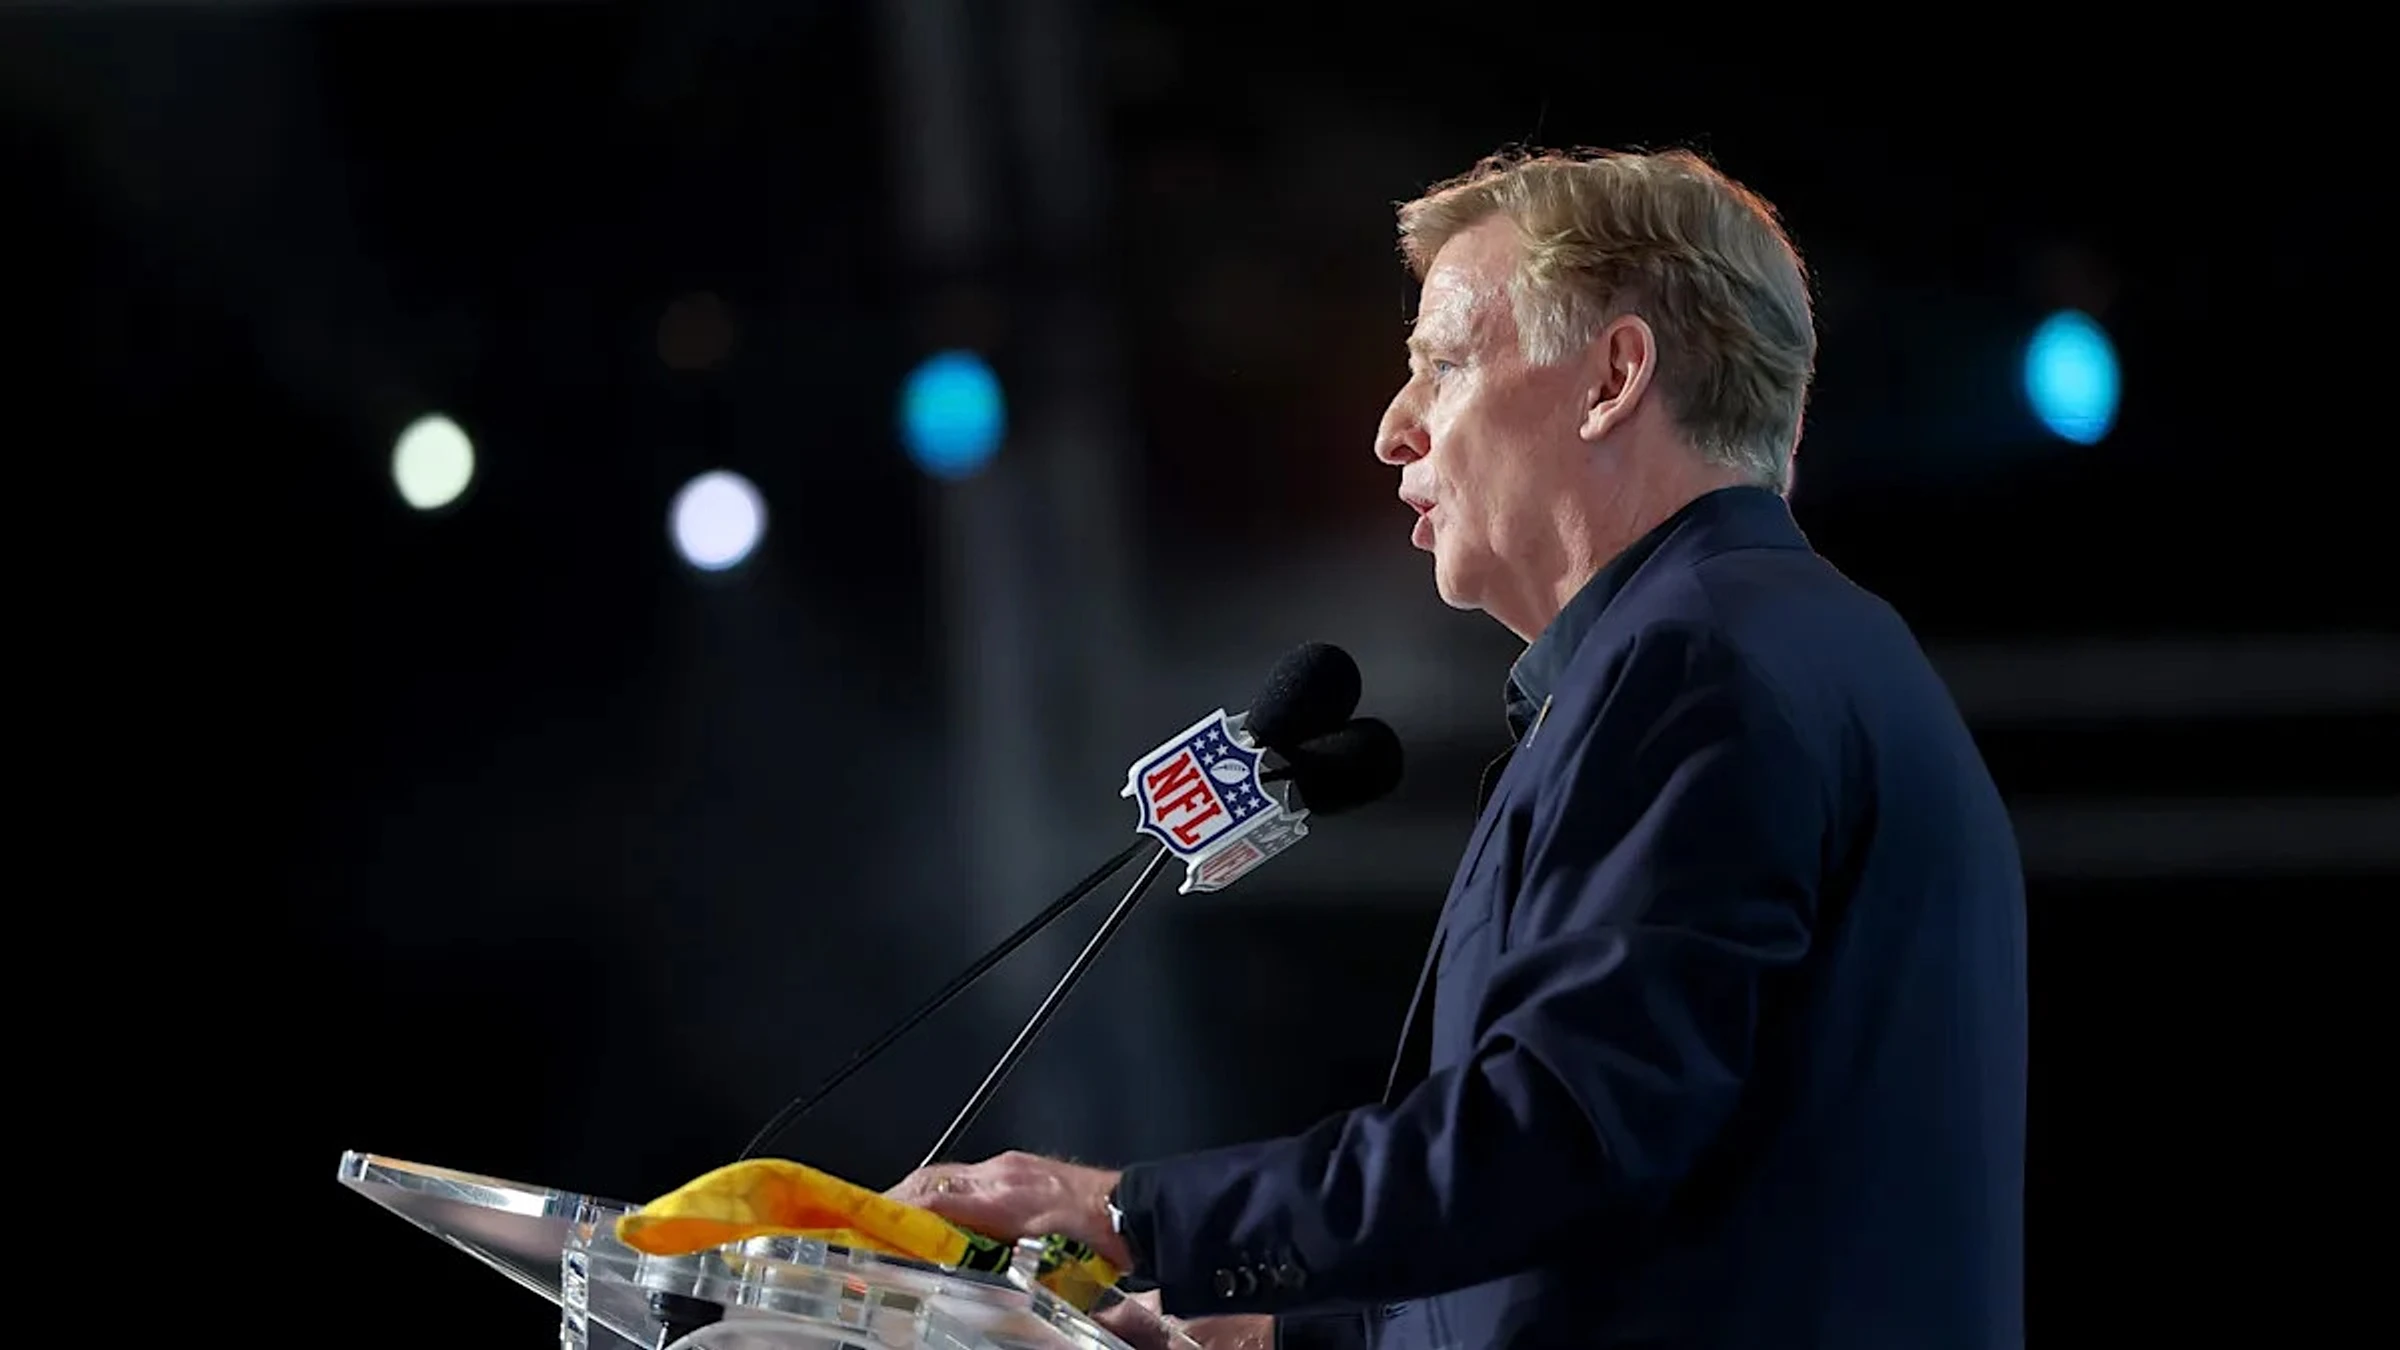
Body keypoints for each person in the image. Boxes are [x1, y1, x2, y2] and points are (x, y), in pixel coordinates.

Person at [887, 147, 2027, 1350]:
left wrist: (1128, 1217)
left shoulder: (1696, 662)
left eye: (1441, 363)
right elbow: (1618, 1208)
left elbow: (1561, 1134)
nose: (1395, 429)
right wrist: (1269, 1335)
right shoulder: (1799, 647)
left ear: (1612, 377)